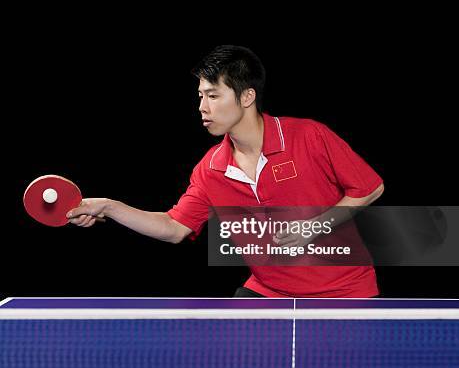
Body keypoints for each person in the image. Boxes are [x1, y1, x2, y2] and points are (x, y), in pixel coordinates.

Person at [67, 45, 384, 297]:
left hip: (345, 292)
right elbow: (174, 227)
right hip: (269, 292)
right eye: (201, 96)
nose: (202, 107)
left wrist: (313, 227)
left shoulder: (308, 136)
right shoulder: (211, 169)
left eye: (214, 96)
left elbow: (370, 187)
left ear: (247, 96)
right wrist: (109, 206)